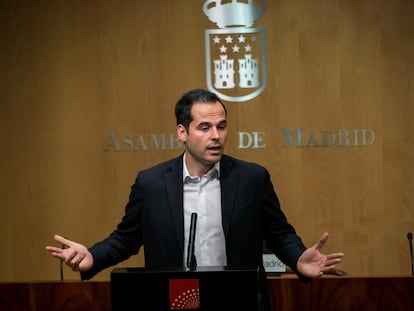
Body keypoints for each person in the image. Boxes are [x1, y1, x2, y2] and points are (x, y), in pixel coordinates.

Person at [46, 88, 344, 309]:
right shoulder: (151, 183)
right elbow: (126, 238)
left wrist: (298, 258)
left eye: (222, 126)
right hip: (175, 301)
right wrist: (92, 257)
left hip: (238, 302)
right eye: (205, 127)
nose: (216, 135)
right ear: (182, 132)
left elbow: (279, 233)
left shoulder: (252, 178)